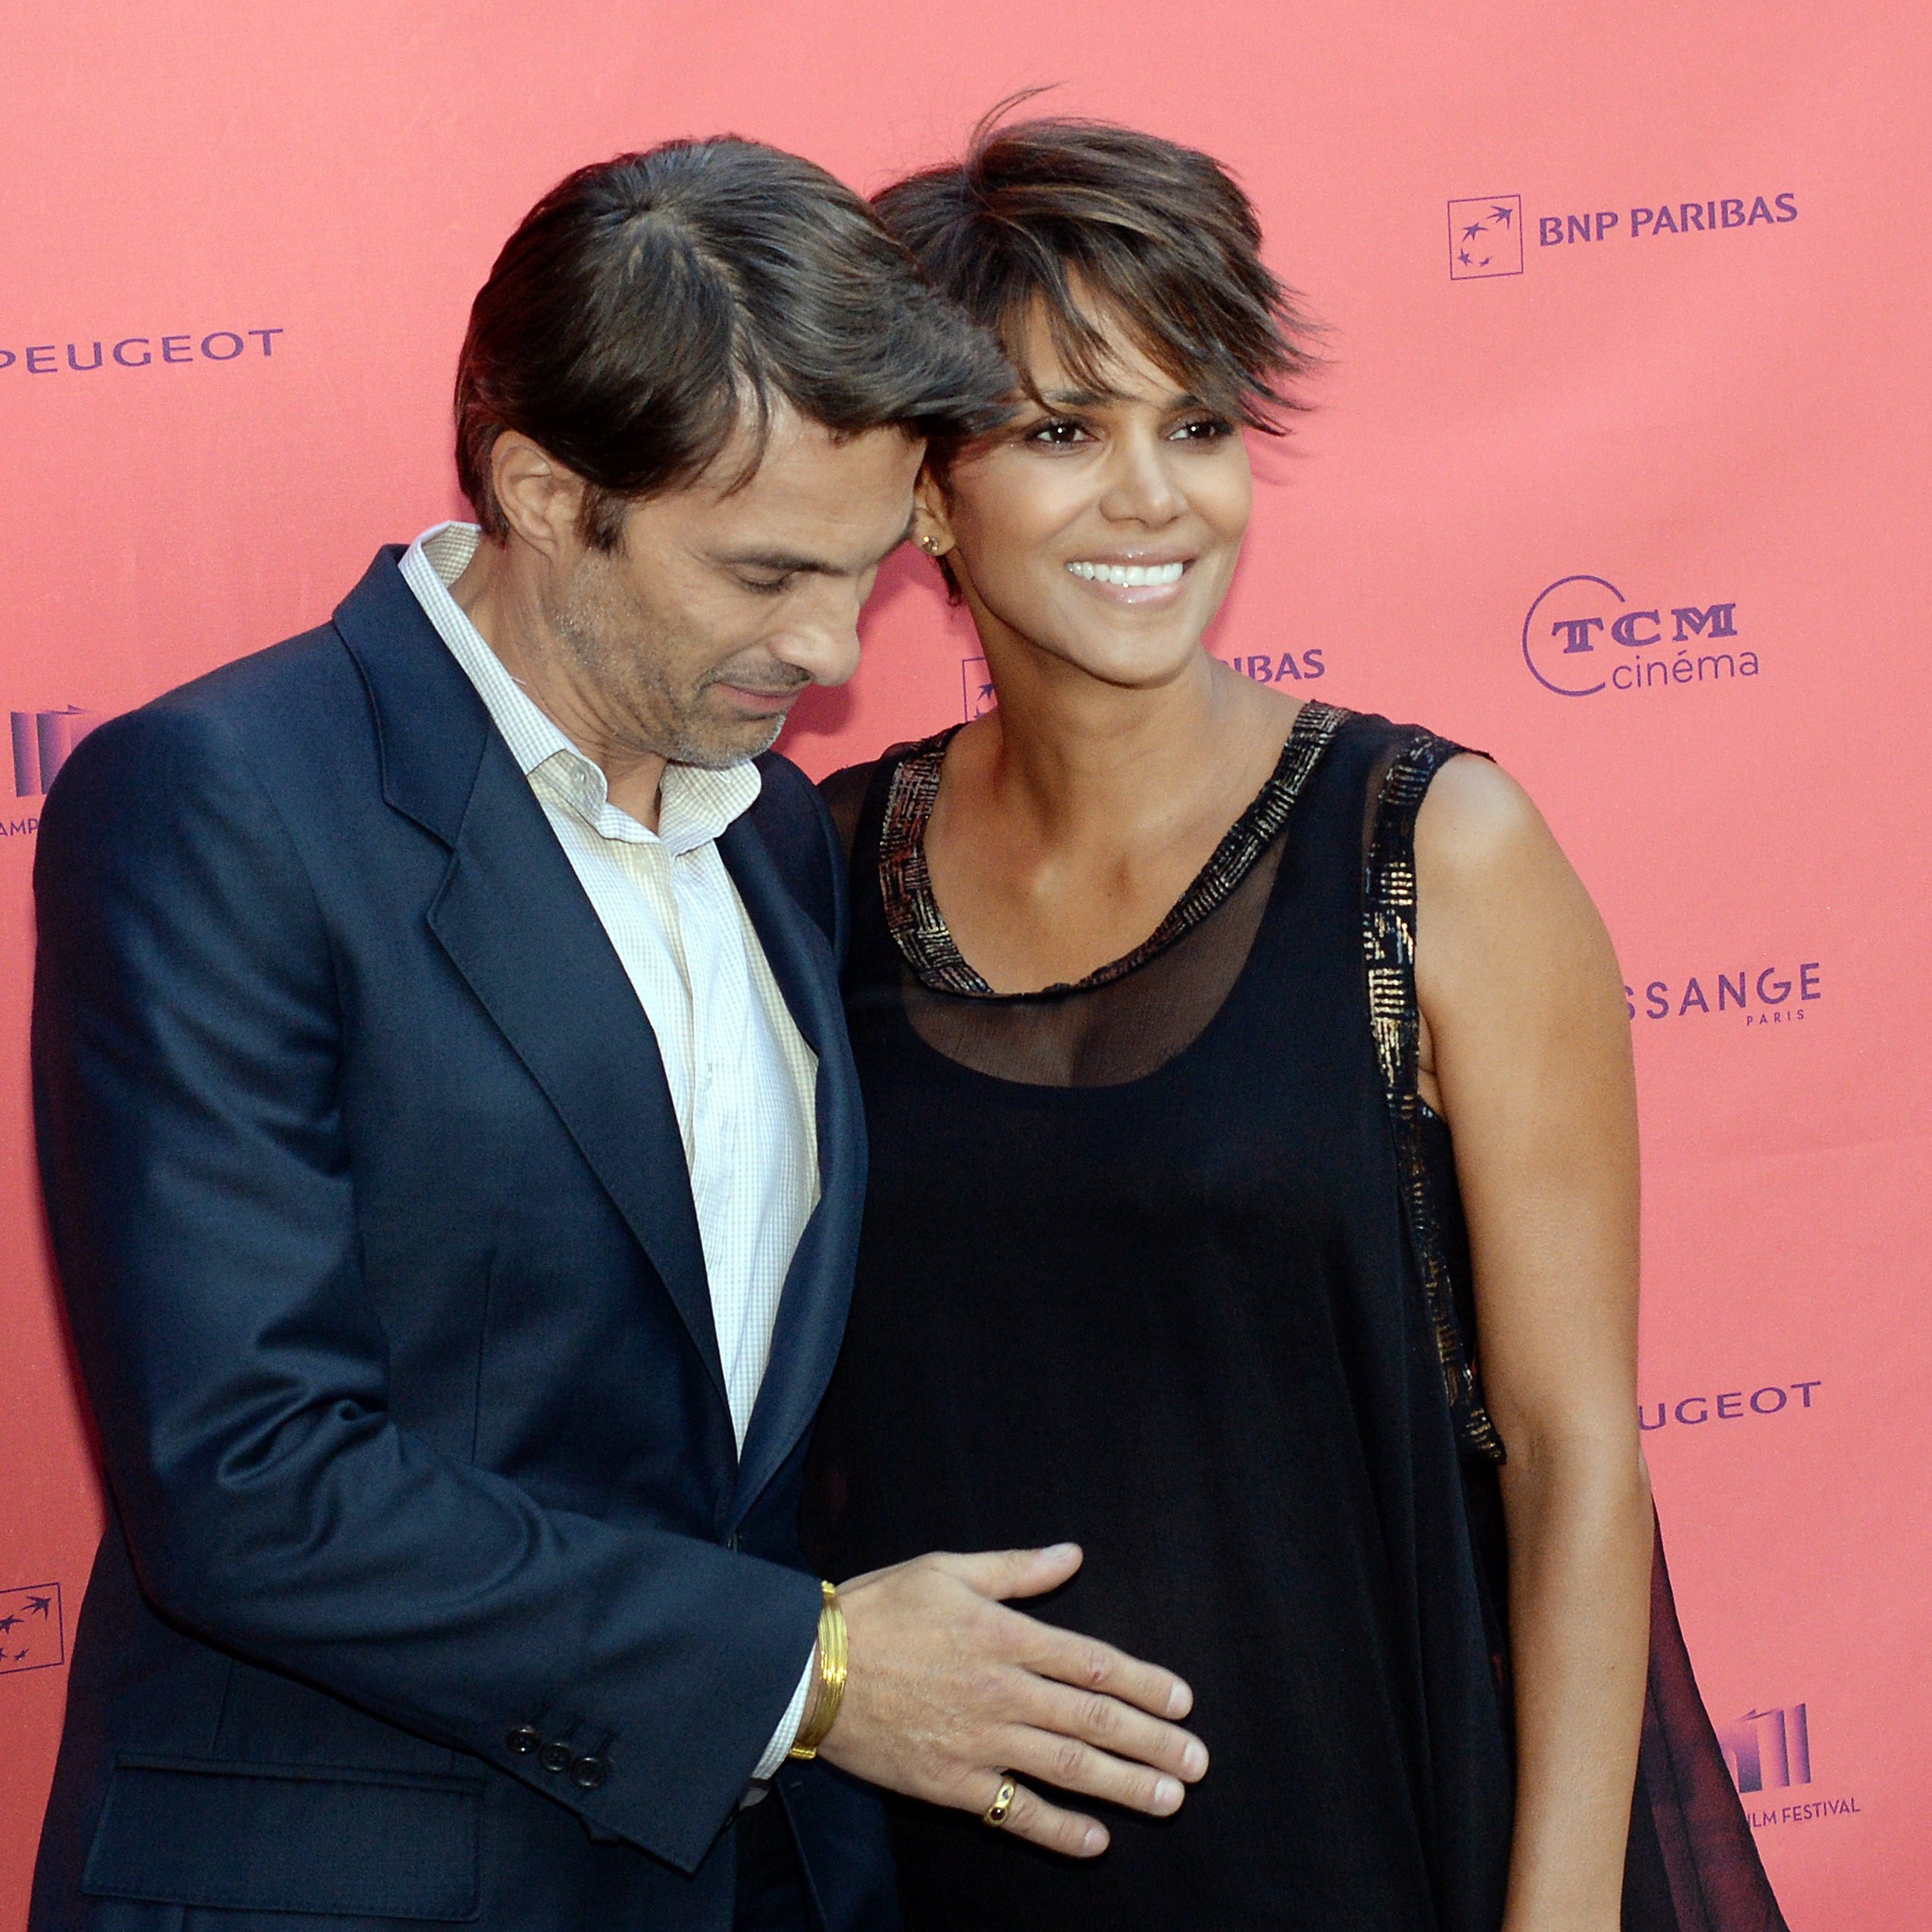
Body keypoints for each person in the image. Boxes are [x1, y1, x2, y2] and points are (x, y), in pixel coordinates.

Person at [28, 139, 1209, 1932]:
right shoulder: (228, 804)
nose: (828, 652)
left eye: (870, 570)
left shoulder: (763, 836)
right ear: (541, 488)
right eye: (761, 576)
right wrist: (812, 1672)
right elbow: (246, 1478)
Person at [805, 114, 1789, 1931]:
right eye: (1060, 432)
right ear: (925, 494)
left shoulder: (1437, 852)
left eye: (1196, 426)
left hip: (1382, 1827)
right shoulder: (814, 871)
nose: (1157, 498)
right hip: (953, 1868)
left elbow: (1578, 1456)